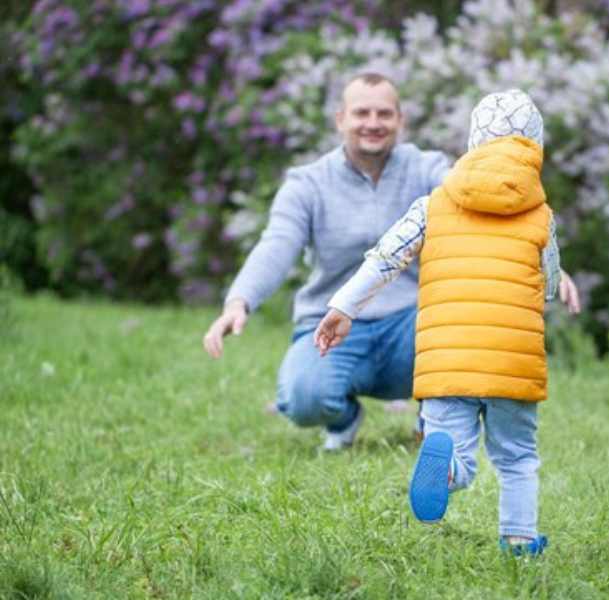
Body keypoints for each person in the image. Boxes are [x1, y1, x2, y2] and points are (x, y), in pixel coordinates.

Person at [202, 73, 581, 451]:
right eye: (361, 112)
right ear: (340, 119)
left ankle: (432, 421)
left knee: (465, 323)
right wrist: (240, 301)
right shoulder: (307, 183)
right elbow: (277, 244)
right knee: (303, 399)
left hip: (412, 324)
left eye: (384, 113)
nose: (372, 123)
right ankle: (345, 419)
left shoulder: (429, 169)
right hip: (333, 323)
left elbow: (489, 206)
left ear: (400, 120)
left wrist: (545, 259)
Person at [314, 89, 566, 555]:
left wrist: (343, 306)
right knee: (517, 458)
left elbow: (385, 258)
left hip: (446, 361)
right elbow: (548, 284)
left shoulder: (432, 205)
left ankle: (448, 469)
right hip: (512, 366)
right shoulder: (541, 216)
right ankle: (519, 540)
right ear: (534, 147)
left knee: (456, 447)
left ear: (473, 142)